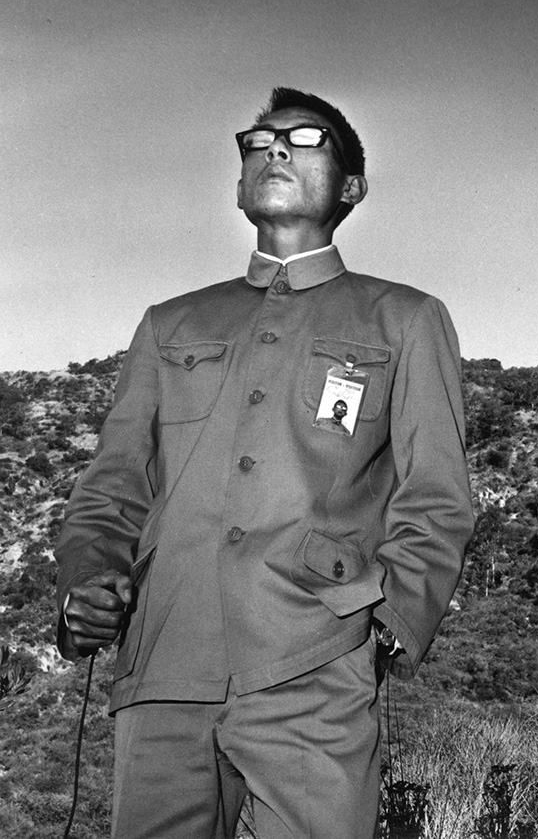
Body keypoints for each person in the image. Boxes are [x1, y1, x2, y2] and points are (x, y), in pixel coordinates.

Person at [54, 87, 475, 839]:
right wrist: (85, 586)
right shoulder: (169, 323)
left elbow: (437, 497)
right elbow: (110, 491)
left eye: (306, 139)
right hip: (162, 668)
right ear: (239, 182)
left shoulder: (404, 318)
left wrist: (379, 627)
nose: (274, 147)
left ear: (350, 188)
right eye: (257, 140)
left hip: (314, 667)